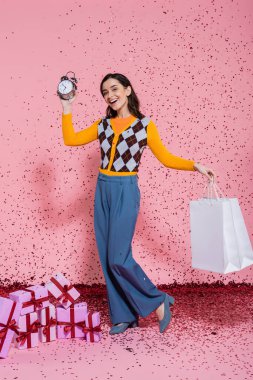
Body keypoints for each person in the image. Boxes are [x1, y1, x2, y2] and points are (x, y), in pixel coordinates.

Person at [59, 72, 216, 335]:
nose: (110, 95)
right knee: (108, 259)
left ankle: (157, 300)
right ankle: (124, 316)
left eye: (115, 88)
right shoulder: (103, 125)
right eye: (105, 92)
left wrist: (195, 166)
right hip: (102, 189)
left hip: (125, 190)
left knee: (119, 257)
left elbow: (165, 158)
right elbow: (70, 139)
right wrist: (67, 107)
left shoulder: (144, 125)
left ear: (128, 90)